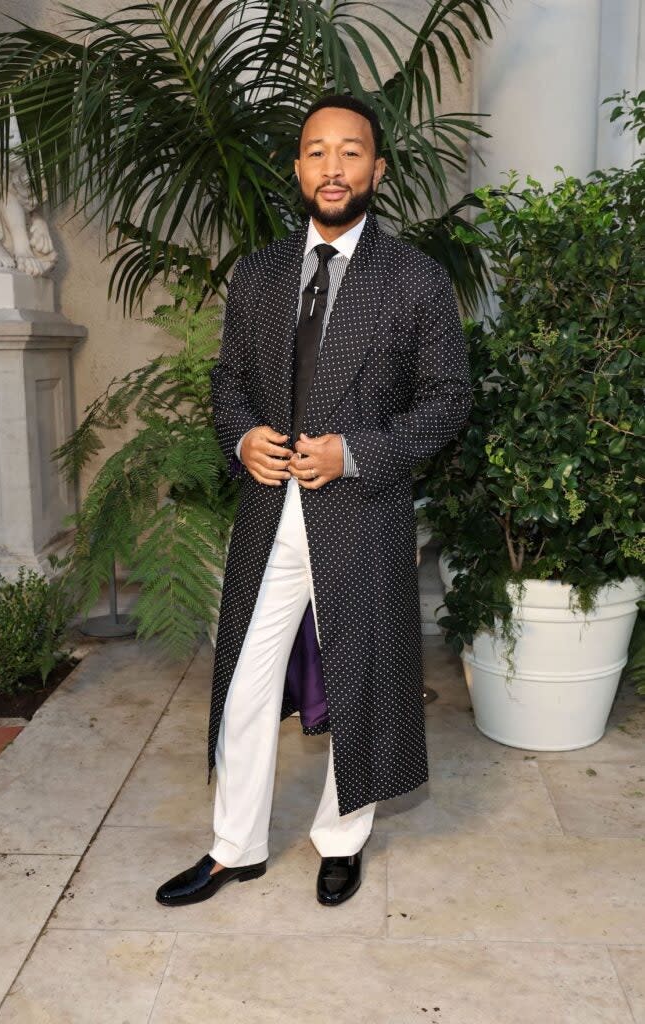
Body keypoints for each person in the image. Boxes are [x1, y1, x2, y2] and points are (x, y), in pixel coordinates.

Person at [156, 93, 472, 909]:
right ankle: (235, 846)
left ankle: (341, 839)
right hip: (268, 512)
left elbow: (447, 401)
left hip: (359, 509)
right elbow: (229, 381)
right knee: (244, 680)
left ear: (377, 168)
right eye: (316, 152)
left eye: (350, 152)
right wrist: (242, 437)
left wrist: (354, 451)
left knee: (361, 677)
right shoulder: (259, 272)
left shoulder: (414, 279)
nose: (333, 168)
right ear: (296, 168)